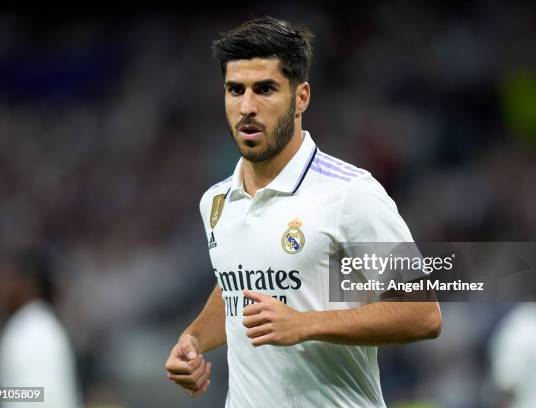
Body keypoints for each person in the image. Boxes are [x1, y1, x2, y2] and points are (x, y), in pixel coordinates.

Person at [165, 16, 441, 407]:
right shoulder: (216, 200)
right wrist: (192, 339)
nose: (246, 106)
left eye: (265, 89)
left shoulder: (349, 193)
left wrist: (305, 324)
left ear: (301, 97)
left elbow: (424, 314)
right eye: (234, 90)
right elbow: (236, 284)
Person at [0, 248, 82, 408]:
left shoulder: (33, 328)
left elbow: (39, 397)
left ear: (27, 283)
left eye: (6, 278)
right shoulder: (37, 324)